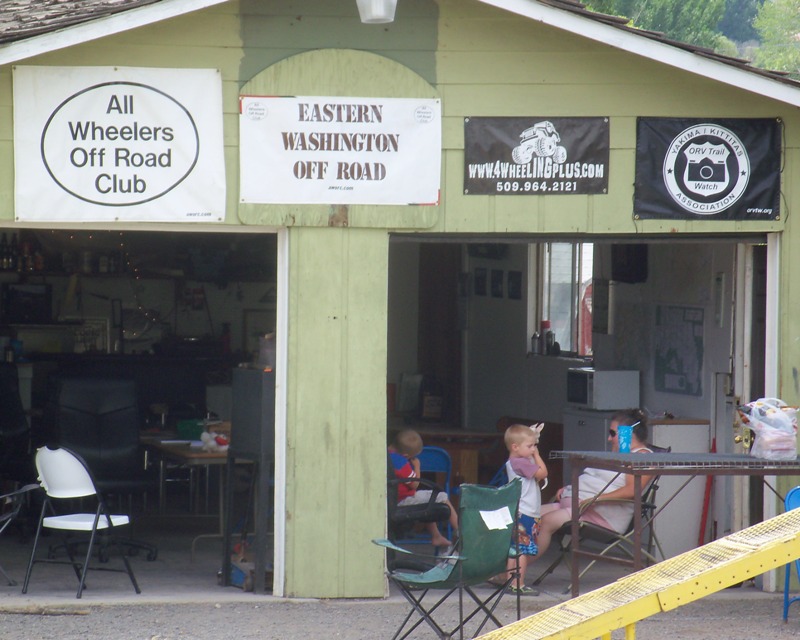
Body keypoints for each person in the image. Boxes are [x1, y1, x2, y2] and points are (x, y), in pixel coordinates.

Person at [533, 409, 652, 560]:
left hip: (598, 514)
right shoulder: (619, 455)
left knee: (547, 521)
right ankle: (508, 570)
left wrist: (596, 499)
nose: (609, 439)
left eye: (613, 433)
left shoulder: (642, 457)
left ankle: (518, 575)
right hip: (578, 506)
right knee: (525, 517)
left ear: (628, 432)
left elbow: (631, 491)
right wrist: (570, 489)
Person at [388, 429, 459, 547]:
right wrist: (417, 466)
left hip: (391, 499)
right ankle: (460, 532)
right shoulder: (400, 462)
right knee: (441, 496)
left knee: (428, 499)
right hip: (402, 500)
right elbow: (414, 484)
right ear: (406, 456)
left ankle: (436, 536)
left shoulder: (386, 455)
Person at [502, 423, 548, 595]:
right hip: (526, 511)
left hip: (519, 510)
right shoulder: (521, 463)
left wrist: (532, 437)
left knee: (515, 548)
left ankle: (508, 582)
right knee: (523, 549)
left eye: (534, 446)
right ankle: (519, 583)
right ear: (515, 447)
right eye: (529, 446)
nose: (533, 449)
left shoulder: (517, 461)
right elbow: (543, 473)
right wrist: (537, 454)